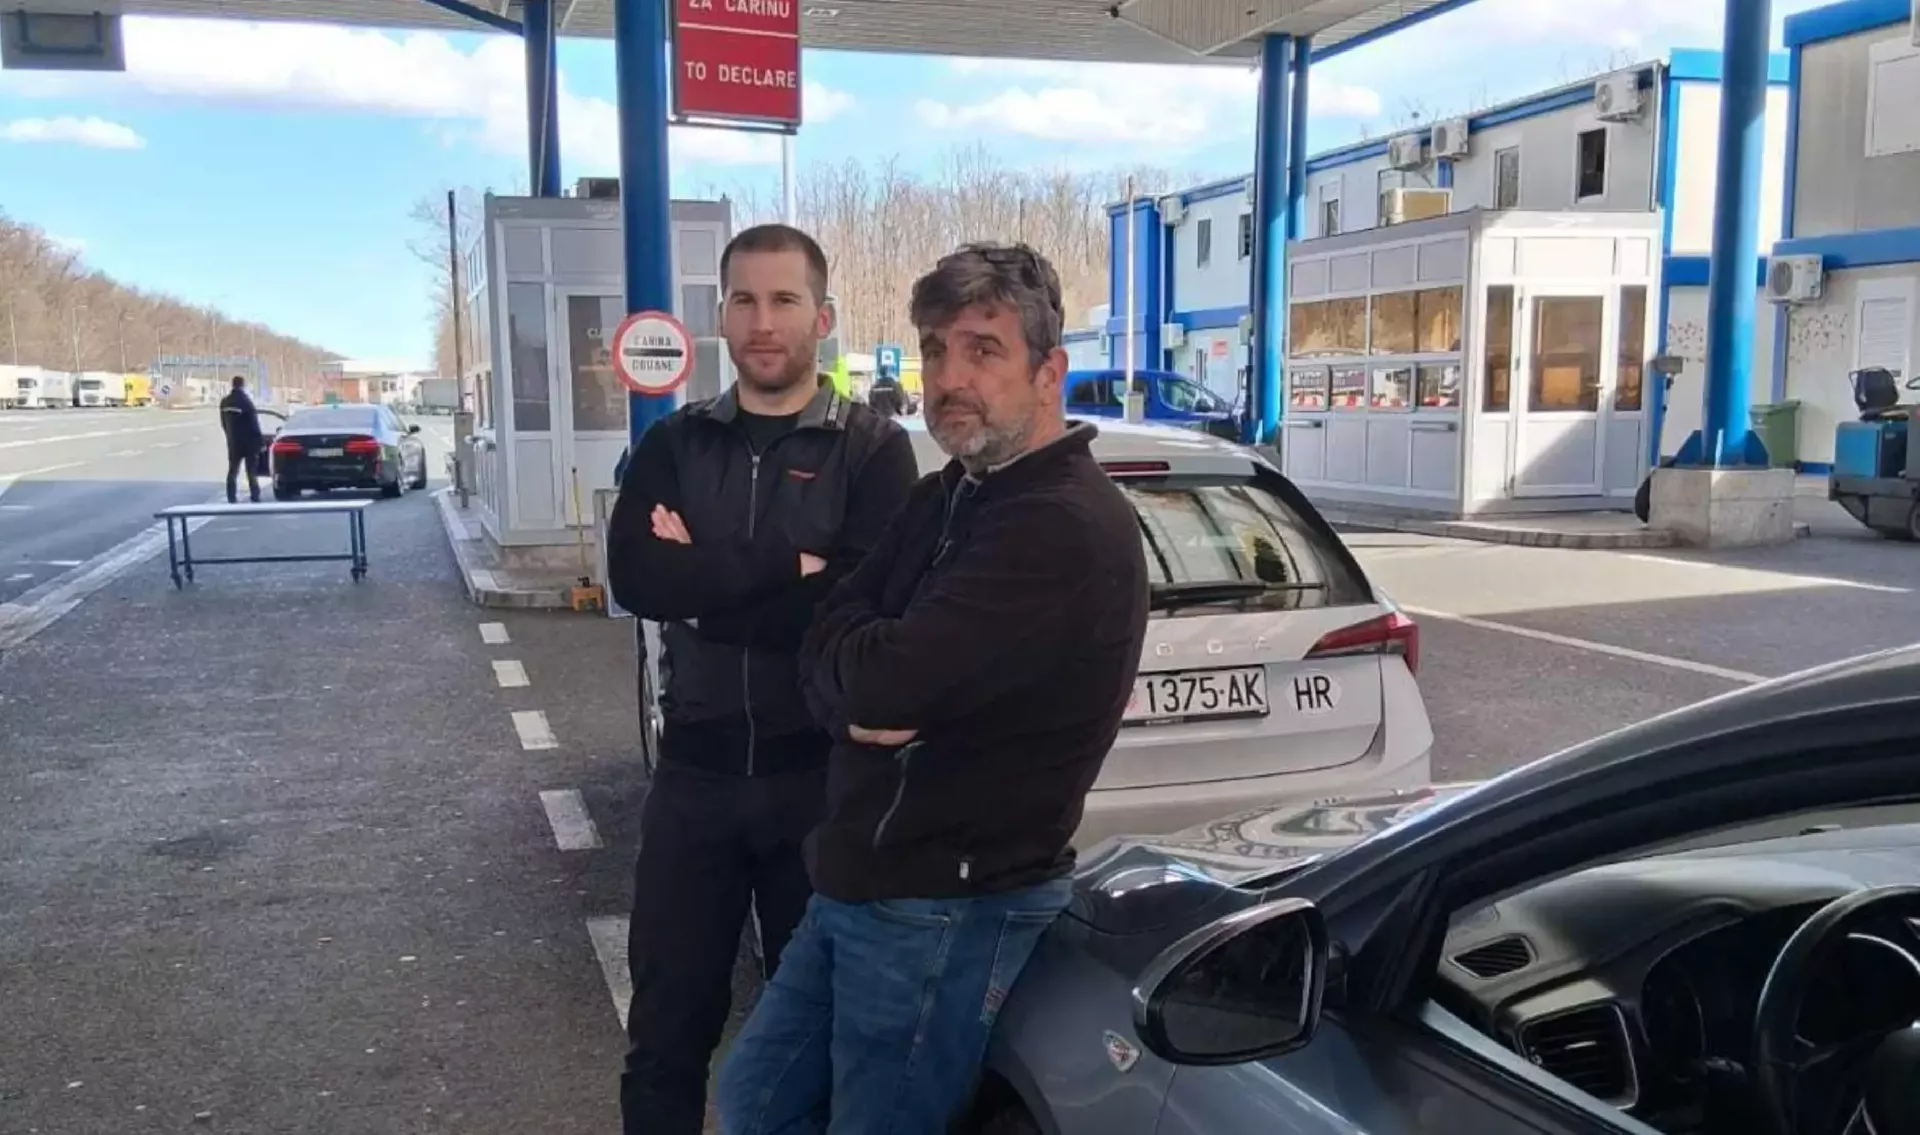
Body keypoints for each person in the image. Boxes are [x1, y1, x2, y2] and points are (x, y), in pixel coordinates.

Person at [715, 242, 1150, 1134]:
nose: (950, 378)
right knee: (754, 1097)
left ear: (1049, 371)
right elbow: (834, 632)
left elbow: (883, 680)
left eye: (983, 350)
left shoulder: (1059, 525)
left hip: (948, 904)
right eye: (936, 349)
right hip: (864, 881)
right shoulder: (950, 493)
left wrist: (862, 680)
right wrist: (857, 686)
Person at [604, 223, 918, 1135]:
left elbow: (858, 613)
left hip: (816, 785)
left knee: (812, 1047)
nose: (763, 321)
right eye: (744, 299)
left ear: (823, 317)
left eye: (784, 300)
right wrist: (791, 567)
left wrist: (704, 586)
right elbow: (637, 578)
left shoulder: (872, 451)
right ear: (722, 316)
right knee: (664, 1037)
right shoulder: (676, 443)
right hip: (693, 782)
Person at [218, 375, 264, 503]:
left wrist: (230, 436)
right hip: (249, 443)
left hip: (233, 443)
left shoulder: (225, 402)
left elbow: (223, 423)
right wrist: (260, 442)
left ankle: (231, 497)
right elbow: (253, 424)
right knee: (251, 472)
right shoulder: (246, 402)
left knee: (232, 471)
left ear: (232, 385)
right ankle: (255, 495)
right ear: (243, 385)